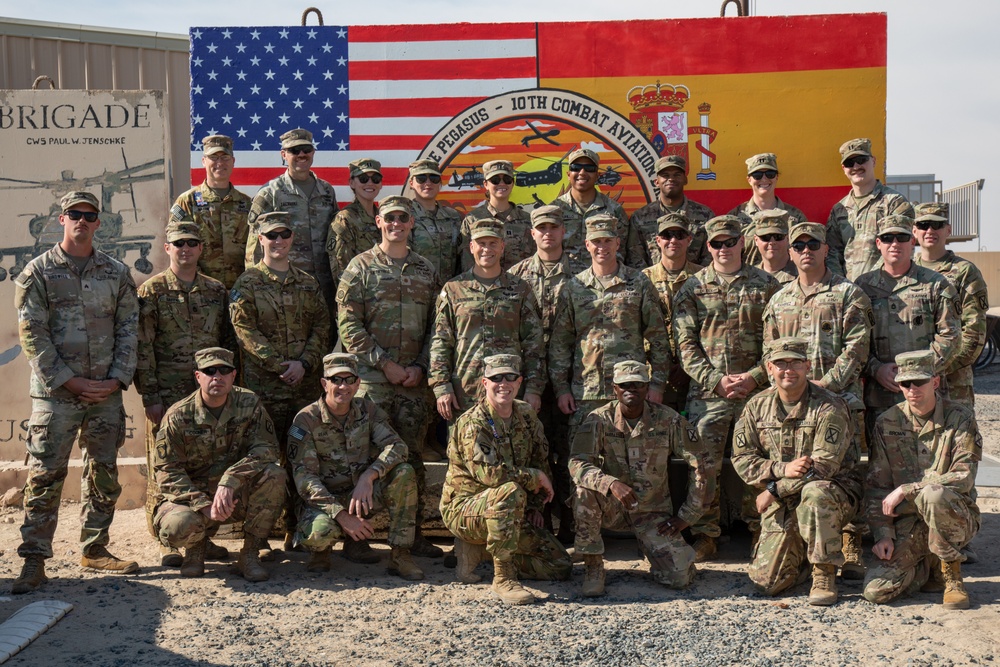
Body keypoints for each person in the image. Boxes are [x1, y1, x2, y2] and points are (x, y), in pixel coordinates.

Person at [12, 191, 139, 594]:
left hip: (105, 392)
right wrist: (70, 381)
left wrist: (117, 378)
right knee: (45, 476)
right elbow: (32, 334)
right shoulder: (38, 272)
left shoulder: (116, 273)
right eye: (73, 215)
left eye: (89, 215)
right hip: (56, 395)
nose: (81, 221)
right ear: (61, 219)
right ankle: (34, 560)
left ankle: (95, 547)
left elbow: (129, 328)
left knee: (103, 474)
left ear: (98, 222)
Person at [762, 221, 873, 579]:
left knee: (845, 473)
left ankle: (850, 541)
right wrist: (786, 393)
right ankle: (802, 541)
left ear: (827, 249)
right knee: (799, 470)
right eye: (799, 245)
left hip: (839, 403)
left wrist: (824, 388)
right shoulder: (779, 299)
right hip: (793, 408)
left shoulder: (847, 294)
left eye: (814, 243)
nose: (806, 250)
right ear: (790, 253)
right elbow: (769, 351)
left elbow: (857, 349)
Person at [336, 195, 443, 560]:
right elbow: (348, 325)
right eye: (390, 218)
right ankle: (357, 538)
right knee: (363, 458)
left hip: (413, 383)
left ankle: (411, 536)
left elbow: (438, 326)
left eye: (403, 218)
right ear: (379, 222)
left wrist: (421, 367)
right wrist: (385, 364)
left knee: (411, 458)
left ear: (411, 222)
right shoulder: (360, 267)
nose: (396, 223)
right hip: (372, 382)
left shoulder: (426, 270)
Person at [673, 215, 780, 561]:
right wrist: (714, 380)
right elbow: (685, 344)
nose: (723, 249)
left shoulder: (767, 285)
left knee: (760, 462)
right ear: (708, 247)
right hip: (709, 394)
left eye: (729, 242)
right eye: (716, 243)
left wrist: (754, 377)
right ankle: (705, 533)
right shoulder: (692, 287)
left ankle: (760, 530)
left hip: (758, 393)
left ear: (742, 243)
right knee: (703, 464)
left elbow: (778, 342)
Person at [732, 338, 861, 605]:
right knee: (768, 584)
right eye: (781, 363)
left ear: (807, 366)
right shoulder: (756, 406)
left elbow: (824, 467)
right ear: (769, 368)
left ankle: (824, 572)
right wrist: (780, 470)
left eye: (795, 363)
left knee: (815, 493)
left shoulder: (830, 406)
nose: (788, 369)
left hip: (834, 493)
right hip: (784, 497)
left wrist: (774, 488)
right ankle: (802, 554)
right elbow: (742, 458)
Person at [135, 220, 234, 567]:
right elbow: (143, 347)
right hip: (169, 393)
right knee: (161, 466)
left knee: (203, 465)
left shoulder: (216, 291)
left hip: (209, 393)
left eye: (192, 243)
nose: (185, 249)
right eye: (179, 243)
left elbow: (226, 342)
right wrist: (150, 396)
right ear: (168, 248)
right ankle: (166, 540)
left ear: (201, 248)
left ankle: (201, 539)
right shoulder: (152, 291)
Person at [570, 360, 714, 596]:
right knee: (583, 490)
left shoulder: (668, 420)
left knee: (679, 578)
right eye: (624, 384)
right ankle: (592, 563)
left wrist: (688, 516)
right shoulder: (599, 419)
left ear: (647, 387)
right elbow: (577, 463)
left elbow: (702, 464)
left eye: (637, 384)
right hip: (612, 508)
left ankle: (653, 549)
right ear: (614, 388)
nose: (631, 389)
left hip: (652, 513)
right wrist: (610, 483)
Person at [230, 211, 331, 550]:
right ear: (260, 239)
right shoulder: (247, 284)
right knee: (266, 460)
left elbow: (322, 327)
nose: (278, 241)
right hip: (266, 390)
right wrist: (278, 365)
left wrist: (304, 364)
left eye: (284, 235)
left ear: (291, 239)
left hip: (303, 387)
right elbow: (244, 331)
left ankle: (298, 528)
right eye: (271, 235)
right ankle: (257, 536)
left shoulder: (307, 283)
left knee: (304, 455)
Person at [440, 354, 571, 605]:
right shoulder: (474, 423)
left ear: (519, 381)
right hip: (466, 509)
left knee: (559, 565)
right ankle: (503, 578)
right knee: (509, 490)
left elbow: (540, 460)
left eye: (510, 377)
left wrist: (534, 506)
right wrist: (534, 478)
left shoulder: (525, 414)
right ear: (484, 383)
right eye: (496, 378)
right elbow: (490, 476)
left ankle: (480, 552)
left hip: (510, 508)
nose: (504, 383)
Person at [152, 348, 286, 582]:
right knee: (177, 527)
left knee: (275, 475)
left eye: (224, 371)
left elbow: (266, 449)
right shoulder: (178, 416)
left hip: (233, 495)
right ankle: (196, 548)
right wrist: (202, 504)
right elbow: (167, 471)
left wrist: (231, 479)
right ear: (198, 376)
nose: (217, 376)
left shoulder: (249, 403)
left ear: (233, 376)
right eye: (209, 371)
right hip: (193, 499)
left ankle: (250, 554)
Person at [287, 353, 424, 580]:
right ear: (324, 383)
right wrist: (341, 515)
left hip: (360, 495)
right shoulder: (306, 420)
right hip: (323, 501)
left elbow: (398, 446)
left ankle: (400, 554)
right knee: (319, 534)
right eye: (336, 380)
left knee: (404, 472)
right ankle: (320, 551)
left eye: (349, 380)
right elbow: (305, 480)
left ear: (358, 383)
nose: (343, 386)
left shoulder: (368, 411)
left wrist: (369, 476)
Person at [548, 215, 670, 466]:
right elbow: (561, 342)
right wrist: (561, 388)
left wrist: (657, 384)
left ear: (617, 243)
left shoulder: (638, 283)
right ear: (587, 245)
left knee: (633, 462)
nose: (602, 247)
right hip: (586, 392)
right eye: (596, 241)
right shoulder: (574, 287)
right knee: (584, 462)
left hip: (630, 390)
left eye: (607, 241)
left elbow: (658, 336)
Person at [863, 351, 980, 610]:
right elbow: (877, 485)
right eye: (906, 383)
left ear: (935, 382)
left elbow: (963, 476)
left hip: (954, 516)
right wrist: (883, 533)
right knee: (876, 591)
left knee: (934, 494)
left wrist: (909, 488)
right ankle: (927, 567)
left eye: (920, 382)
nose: (912, 389)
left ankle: (951, 575)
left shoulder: (960, 418)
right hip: (910, 521)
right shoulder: (888, 422)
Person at [855, 215, 960, 441]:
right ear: (878, 243)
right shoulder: (862, 287)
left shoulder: (935, 284)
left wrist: (917, 373)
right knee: (884, 468)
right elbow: (855, 340)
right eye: (887, 238)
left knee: (930, 463)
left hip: (926, 396)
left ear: (912, 241)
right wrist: (875, 369)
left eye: (902, 237)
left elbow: (950, 337)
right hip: (881, 397)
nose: (895, 244)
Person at [430, 219, 545, 422]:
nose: (487, 249)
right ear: (472, 246)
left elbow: (533, 343)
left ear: (502, 246)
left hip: (508, 392)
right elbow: (441, 341)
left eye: (493, 243)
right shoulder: (454, 289)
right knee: (464, 452)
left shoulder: (520, 289)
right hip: (465, 392)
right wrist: (441, 386)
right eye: (481, 243)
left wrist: (534, 388)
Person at [508, 205, 575, 542]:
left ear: (564, 231)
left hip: (572, 378)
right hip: (529, 380)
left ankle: (572, 526)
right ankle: (539, 524)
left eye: (554, 227)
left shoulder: (581, 271)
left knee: (570, 454)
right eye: (541, 228)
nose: (548, 233)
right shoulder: (516, 276)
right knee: (534, 452)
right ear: (531, 233)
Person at [246, 128, 338, 308]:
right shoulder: (270, 193)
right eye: (294, 151)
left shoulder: (327, 191)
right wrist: (256, 288)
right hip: (286, 285)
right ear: (284, 155)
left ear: (313, 152)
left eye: (306, 149)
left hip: (324, 285)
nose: (301, 154)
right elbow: (254, 246)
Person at [913, 202, 988, 409]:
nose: (929, 231)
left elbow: (974, 334)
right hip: (912, 383)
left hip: (951, 382)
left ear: (948, 230)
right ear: (914, 231)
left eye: (936, 225)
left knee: (957, 439)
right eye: (923, 225)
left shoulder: (965, 272)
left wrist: (936, 370)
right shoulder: (906, 271)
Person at [168, 134, 252, 287]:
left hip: (240, 289)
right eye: (214, 157)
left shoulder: (247, 204)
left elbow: (256, 248)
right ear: (203, 161)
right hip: (201, 292)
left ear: (233, 162)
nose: (220, 163)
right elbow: (177, 246)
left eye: (225, 157)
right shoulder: (188, 201)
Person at [825, 138, 913, 280]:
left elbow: (901, 248)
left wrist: (872, 282)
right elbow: (832, 253)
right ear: (844, 169)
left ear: (873, 161)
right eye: (849, 163)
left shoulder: (895, 203)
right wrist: (842, 287)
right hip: (851, 293)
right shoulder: (840, 210)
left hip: (887, 289)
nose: (856, 166)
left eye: (861, 160)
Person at [641, 212, 703, 414]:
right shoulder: (641, 280)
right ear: (658, 240)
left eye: (679, 234)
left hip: (697, 375)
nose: (673, 240)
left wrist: (689, 366)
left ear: (689, 239)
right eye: (667, 235)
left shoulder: (705, 277)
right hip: (654, 377)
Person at [551, 148, 641, 276]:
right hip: (565, 283)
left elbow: (623, 253)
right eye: (576, 167)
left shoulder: (614, 210)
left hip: (604, 283)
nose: (582, 172)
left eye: (589, 168)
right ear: (568, 174)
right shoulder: (555, 210)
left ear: (597, 175)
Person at [627, 155, 713, 268]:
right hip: (651, 282)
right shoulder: (640, 217)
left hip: (695, 282)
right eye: (665, 175)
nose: (671, 179)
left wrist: (693, 282)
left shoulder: (705, 216)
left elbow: (710, 256)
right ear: (656, 182)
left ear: (685, 179)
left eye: (677, 175)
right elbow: (635, 258)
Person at [727, 152, 805, 268]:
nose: (764, 179)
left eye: (770, 174)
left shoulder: (795, 216)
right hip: (749, 282)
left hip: (787, 282)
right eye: (757, 175)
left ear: (777, 177)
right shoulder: (735, 217)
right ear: (749, 179)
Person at [458, 160, 534, 272]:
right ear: (485, 184)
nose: (502, 184)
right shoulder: (472, 220)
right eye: (495, 180)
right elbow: (467, 264)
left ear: (512, 183)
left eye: (507, 180)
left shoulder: (527, 220)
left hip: (520, 287)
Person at [327, 158, 384, 295]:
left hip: (384, 297)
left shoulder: (384, 217)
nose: (370, 183)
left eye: (375, 179)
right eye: (363, 178)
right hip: (360, 298)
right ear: (352, 183)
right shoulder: (344, 219)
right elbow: (340, 268)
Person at [407, 158, 463, 283]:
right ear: (411, 183)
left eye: (434, 178)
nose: (428, 183)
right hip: (417, 291)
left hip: (450, 290)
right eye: (421, 178)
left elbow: (463, 257)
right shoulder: (404, 217)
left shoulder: (453, 217)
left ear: (440, 183)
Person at [750, 210, 797, 285]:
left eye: (778, 236)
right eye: (766, 237)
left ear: (788, 239)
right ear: (756, 240)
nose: (772, 242)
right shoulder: (748, 277)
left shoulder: (803, 275)